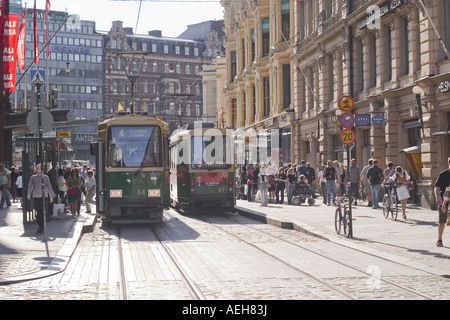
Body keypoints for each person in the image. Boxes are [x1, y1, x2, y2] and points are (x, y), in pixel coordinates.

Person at [27, 164, 55, 234]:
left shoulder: (45, 177)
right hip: (36, 196)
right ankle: (40, 225)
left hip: (43, 196)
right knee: (37, 212)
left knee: (42, 212)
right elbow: (30, 186)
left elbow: (49, 187)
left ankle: (42, 226)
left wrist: (51, 197)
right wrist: (28, 194)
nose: (36, 170)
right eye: (36, 168)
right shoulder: (33, 177)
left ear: (41, 169)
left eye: (37, 168)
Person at [434, 157, 450, 248]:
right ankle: (439, 239)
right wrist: (438, 197)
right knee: (442, 222)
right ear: (449, 164)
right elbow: (437, 188)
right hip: (444, 202)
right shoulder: (443, 174)